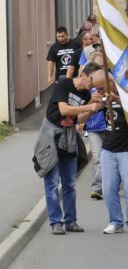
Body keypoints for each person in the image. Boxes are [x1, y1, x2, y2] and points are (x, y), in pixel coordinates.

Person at [33, 62, 104, 235]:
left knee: (70, 183)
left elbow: (78, 118)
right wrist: (89, 106)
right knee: (51, 182)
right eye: (93, 80)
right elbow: (64, 109)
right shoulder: (64, 84)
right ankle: (56, 222)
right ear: (84, 75)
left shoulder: (87, 94)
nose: (94, 85)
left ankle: (71, 221)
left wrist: (94, 110)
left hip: (69, 135)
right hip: (51, 134)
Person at [91, 71, 128, 234]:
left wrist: (116, 99)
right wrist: (92, 104)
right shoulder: (101, 96)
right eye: (97, 90)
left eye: (101, 88)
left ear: (110, 81)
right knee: (108, 190)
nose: (100, 92)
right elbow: (83, 117)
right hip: (108, 148)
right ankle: (115, 221)